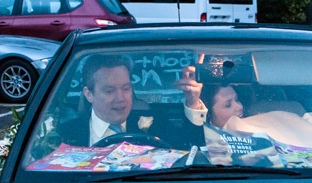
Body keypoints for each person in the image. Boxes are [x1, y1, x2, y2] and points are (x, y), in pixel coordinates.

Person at [61, 55, 207, 147]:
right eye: (109, 91)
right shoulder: (66, 135)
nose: (121, 98)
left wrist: (192, 101)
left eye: (126, 88)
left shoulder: (158, 125)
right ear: (89, 94)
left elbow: (192, 148)